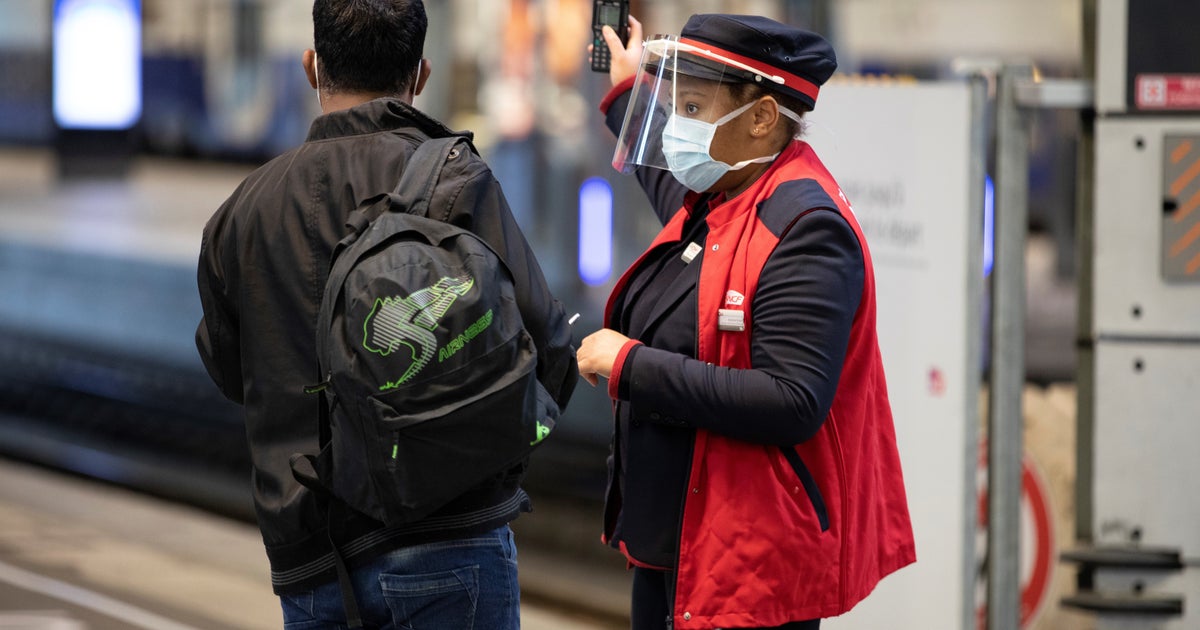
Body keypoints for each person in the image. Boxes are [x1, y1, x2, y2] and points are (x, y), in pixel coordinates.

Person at [194, 1, 577, 627]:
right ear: (420, 75)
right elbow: (548, 349)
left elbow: (231, 372)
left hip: (312, 554)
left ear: (311, 65)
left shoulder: (245, 210)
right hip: (451, 537)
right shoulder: (455, 181)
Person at [577, 13, 916, 630]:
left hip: (746, 570)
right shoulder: (724, 195)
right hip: (677, 554)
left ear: (761, 118)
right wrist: (631, 89)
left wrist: (632, 365)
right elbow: (664, 179)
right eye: (676, 106)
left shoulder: (805, 228)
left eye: (694, 107)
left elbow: (791, 398)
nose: (677, 126)